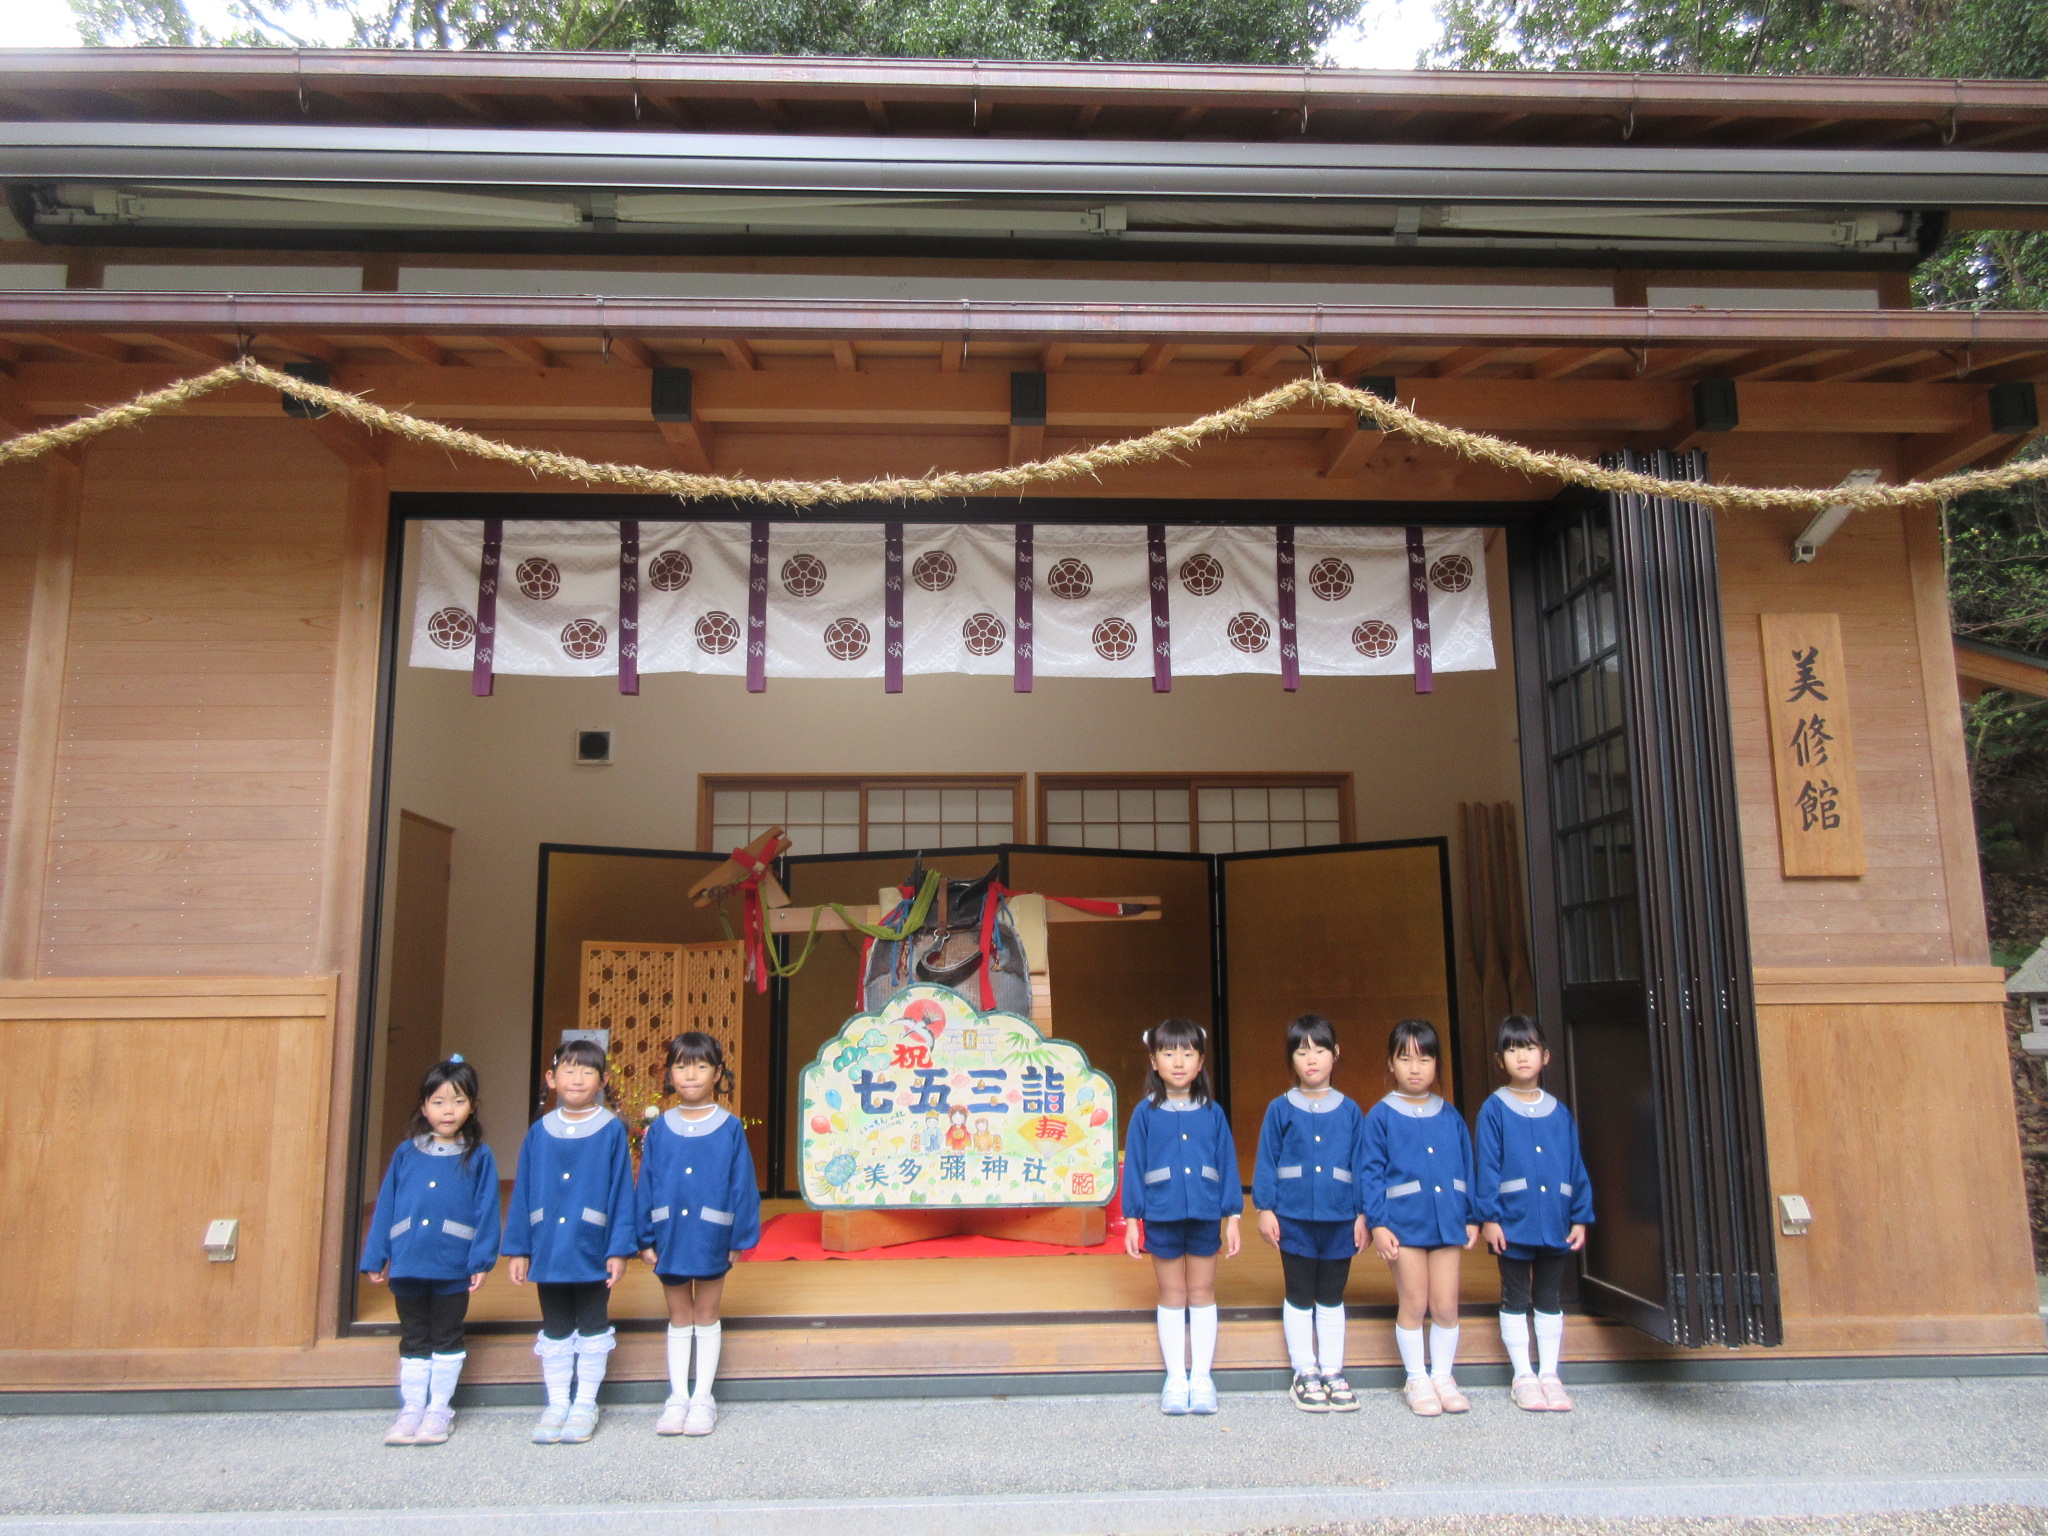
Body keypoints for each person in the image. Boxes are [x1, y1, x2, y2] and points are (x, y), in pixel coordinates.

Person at [359, 1056, 499, 1446]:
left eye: (457, 1101)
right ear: (423, 1107)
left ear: (472, 1106)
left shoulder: (479, 1156)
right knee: (414, 1336)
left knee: (447, 1334)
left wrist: (481, 1259)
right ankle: (412, 1407)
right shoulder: (406, 1153)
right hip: (408, 1261)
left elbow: (488, 1210)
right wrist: (376, 1255)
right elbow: (387, 1205)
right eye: (438, 1102)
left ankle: (439, 1408)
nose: (447, 1110)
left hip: (453, 1264)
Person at [503, 1038, 637, 1445]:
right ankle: (557, 1402)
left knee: (594, 1324)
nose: (577, 1079)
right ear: (551, 1078)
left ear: (603, 1080)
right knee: (556, 1325)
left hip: (592, 1245)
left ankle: (585, 1403)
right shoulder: (539, 1132)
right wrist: (518, 1248)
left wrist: (619, 1248)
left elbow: (622, 1191)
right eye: (569, 1069)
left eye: (588, 1071)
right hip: (548, 1245)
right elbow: (523, 1191)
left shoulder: (611, 1129)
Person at [637, 1031, 762, 1438]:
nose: (690, 1075)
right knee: (678, 1315)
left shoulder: (730, 1127)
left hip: (712, 1234)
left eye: (701, 1066)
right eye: (681, 1066)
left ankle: (703, 1397)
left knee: (706, 1313)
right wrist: (644, 1237)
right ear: (669, 1073)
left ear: (717, 1073)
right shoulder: (659, 1129)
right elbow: (646, 1182)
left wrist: (739, 1238)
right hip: (669, 1233)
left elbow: (742, 1185)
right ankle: (677, 1397)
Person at [1120, 1018, 1243, 1416]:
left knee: (1202, 1291)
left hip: (1205, 1213)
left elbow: (1227, 1164)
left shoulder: (1213, 1113)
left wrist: (1233, 1216)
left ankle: (1202, 1378)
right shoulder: (1144, 1114)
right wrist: (1132, 1220)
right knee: (1172, 1293)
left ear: (1201, 1061)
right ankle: (1176, 1378)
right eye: (1168, 1053)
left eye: (1187, 1053)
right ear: (1153, 1061)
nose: (1178, 1062)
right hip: (1162, 1214)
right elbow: (1134, 1166)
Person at [1476, 1014, 1594, 1413]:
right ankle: (1523, 1375)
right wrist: (1489, 1217)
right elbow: (1487, 1166)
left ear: (1545, 1055)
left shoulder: (1559, 1112)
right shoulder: (1494, 1109)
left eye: (1529, 1048)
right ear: (1500, 1060)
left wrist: (1580, 1215)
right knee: (1514, 1295)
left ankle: (1550, 1374)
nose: (1522, 1057)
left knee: (1548, 1296)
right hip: (1513, 1221)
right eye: (1512, 1049)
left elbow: (1575, 1166)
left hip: (1555, 1220)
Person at [1251, 1014, 1369, 1414]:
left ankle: (1332, 1370)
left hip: (1340, 1219)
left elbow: (1362, 1164)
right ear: (1291, 1059)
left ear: (1336, 1054)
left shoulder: (1351, 1111)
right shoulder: (1279, 1109)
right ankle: (1304, 1371)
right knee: (1299, 1294)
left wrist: (1363, 1214)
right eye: (1302, 1052)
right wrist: (1265, 1208)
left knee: (1333, 1296)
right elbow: (1267, 1160)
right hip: (1294, 1218)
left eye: (1319, 1050)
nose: (1311, 1059)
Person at [1363, 1018, 1477, 1417]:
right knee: (1414, 1301)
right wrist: (1378, 1223)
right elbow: (1370, 1174)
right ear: (1390, 1064)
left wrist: (1473, 1216)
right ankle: (1416, 1378)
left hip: (1448, 1222)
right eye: (1405, 1058)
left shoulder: (1451, 1116)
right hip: (1404, 1225)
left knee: (1445, 1305)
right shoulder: (1380, 1116)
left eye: (1425, 1059)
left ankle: (1442, 1376)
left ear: (1436, 1064)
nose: (1415, 1068)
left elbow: (1468, 1167)